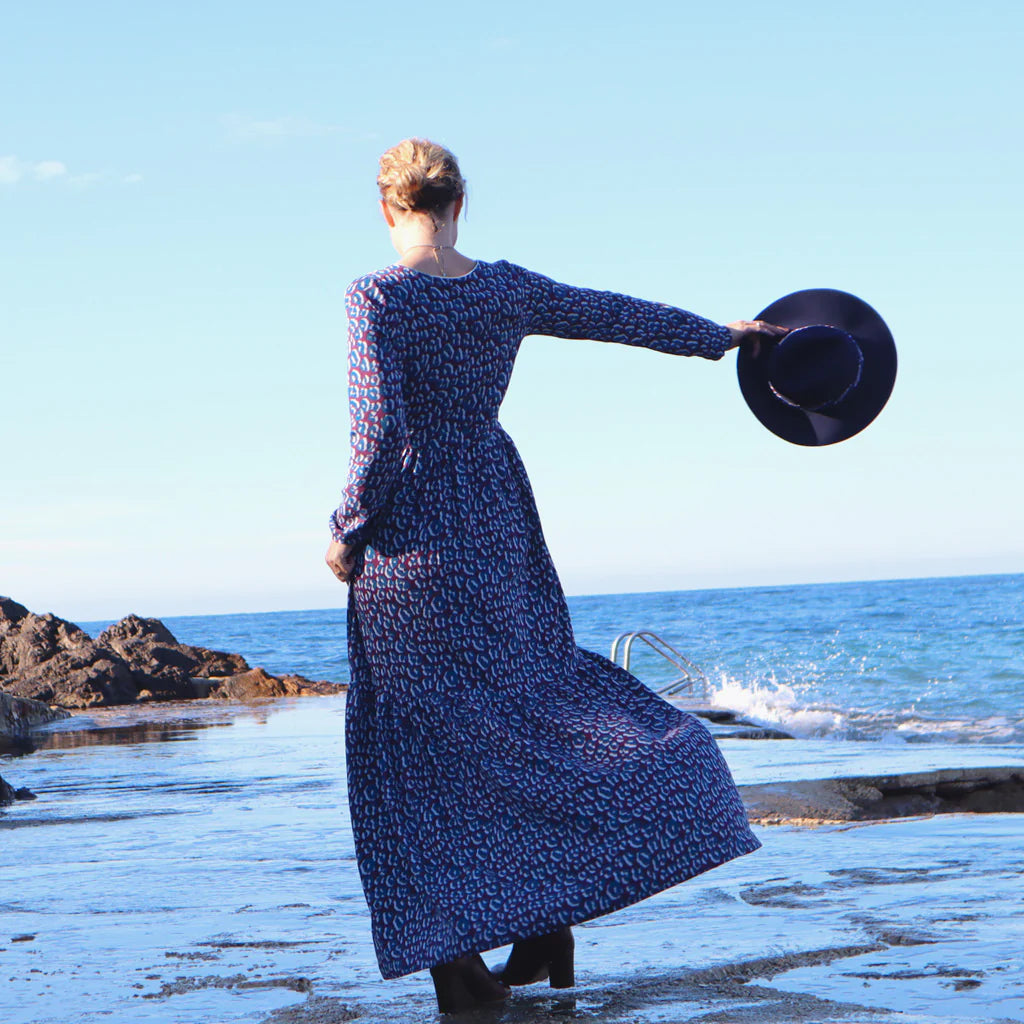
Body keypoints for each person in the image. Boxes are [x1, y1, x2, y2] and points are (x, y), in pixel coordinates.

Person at [325, 138, 784, 1014]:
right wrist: (715, 337)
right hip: (496, 521)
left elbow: (378, 433)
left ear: (387, 210)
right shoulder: (503, 287)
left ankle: (464, 969)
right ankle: (545, 920)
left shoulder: (375, 296)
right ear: (462, 203)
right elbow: (610, 313)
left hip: (416, 540)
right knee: (536, 707)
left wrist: (348, 528)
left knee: (420, 749)